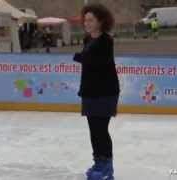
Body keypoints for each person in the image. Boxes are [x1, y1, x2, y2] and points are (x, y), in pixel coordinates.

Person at [73, 3, 120, 180]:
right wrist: (82, 58)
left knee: (101, 130)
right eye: (85, 20)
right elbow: (87, 60)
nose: (86, 23)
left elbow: (95, 62)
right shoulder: (88, 39)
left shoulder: (106, 41)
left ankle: (107, 167)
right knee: (93, 130)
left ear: (101, 21)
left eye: (90, 20)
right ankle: (98, 162)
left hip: (105, 92)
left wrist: (80, 57)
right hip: (90, 91)